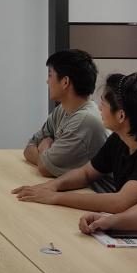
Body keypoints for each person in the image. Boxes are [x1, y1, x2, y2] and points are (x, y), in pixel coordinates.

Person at [13, 72, 137, 213]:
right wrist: (52, 185)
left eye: (103, 103)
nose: (99, 108)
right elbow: (86, 173)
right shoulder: (118, 139)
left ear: (121, 115)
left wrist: (55, 197)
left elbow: (118, 203)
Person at [23, 49, 107, 177]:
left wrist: (44, 148)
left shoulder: (85, 119)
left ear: (65, 82)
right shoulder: (62, 109)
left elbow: (46, 168)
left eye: (50, 75)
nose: (47, 81)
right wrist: (45, 157)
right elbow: (30, 146)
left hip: (91, 188)